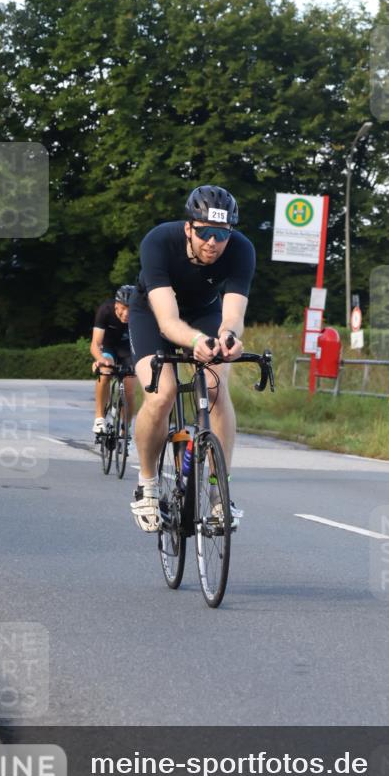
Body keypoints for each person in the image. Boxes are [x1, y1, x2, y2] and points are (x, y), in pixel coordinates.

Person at [128, 184, 256, 532]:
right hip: (153, 314)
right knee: (162, 393)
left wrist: (229, 337)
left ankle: (218, 492)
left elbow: (233, 314)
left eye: (222, 234)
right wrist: (196, 340)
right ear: (188, 228)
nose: (213, 242)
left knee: (216, 387)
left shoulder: (241, 249)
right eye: (204, 233)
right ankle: (147, 485)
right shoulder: (159, 242)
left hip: (203, 312)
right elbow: (168, 321)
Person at [90, 285, 137, 436]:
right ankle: (99, 418)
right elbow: (95, 344)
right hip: (108, 348)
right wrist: (100, 359)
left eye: (130, 308)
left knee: (130, 387)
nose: (126, 313)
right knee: (105, 373)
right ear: (116, 305)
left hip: (128, 350)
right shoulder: (105, 310)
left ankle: (126, 426)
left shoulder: (141, 313)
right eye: (123, 308)